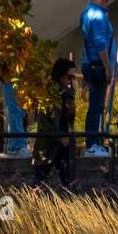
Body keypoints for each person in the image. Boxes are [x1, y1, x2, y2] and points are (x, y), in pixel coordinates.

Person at [79, 0, 114, 157]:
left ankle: (93, 142)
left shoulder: (86, 12)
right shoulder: (99, 16)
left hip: (89, 63)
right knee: (96, 106)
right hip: (97, 65)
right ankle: (92, 144)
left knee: (95, 105)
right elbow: (100, 43)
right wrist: (108, 67)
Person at [34, 58, 79, 188]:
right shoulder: (49, 94)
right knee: (40, 180)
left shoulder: (69, 93)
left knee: (69, 181)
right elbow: (45, 123)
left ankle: (72, 205)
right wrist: (60, 137)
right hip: (49, 143)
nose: (71, 81)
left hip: (64, 142)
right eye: (69, 77)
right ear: (60, 75)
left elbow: (69, 120)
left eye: (73, 78)